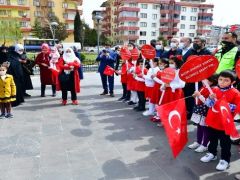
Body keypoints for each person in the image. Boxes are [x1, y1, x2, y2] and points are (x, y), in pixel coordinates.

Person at [200, 70, 240, 171]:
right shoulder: (214, 89)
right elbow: (208, 104)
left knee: (225, 143)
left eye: (226, 80)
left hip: (224, 123)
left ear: (232, 82)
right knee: (212, 139)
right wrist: (210, 98)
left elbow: (236, 108)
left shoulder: (235, 93)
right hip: (212, 120)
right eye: (220, 79)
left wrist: (221, 102)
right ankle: (212, 153)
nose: (222, 82)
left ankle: (225, 159)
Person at [183, 36, 212, 119]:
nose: (195, 43)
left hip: (201, 79)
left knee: (200, 96)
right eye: (194, 41)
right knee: (189, 95)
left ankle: (197, 115)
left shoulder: (207, 52)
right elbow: (184, 60)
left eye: (197, 41)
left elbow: (209, 65)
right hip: (190, 77)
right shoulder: (191, 51)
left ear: (203, 43)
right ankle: (188, 113)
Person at [188, 74, 218, 153]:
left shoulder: (213, 89)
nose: (202, 80)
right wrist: (195, 96)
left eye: (205, 79)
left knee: (205, 128)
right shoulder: (203, 87)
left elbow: (208, 102)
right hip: (199, 110)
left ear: (211, 81)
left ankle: (204, 144)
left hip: (205, 111)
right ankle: (198, 141)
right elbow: (199, 97)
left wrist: (199, 96)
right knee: (199, 126)